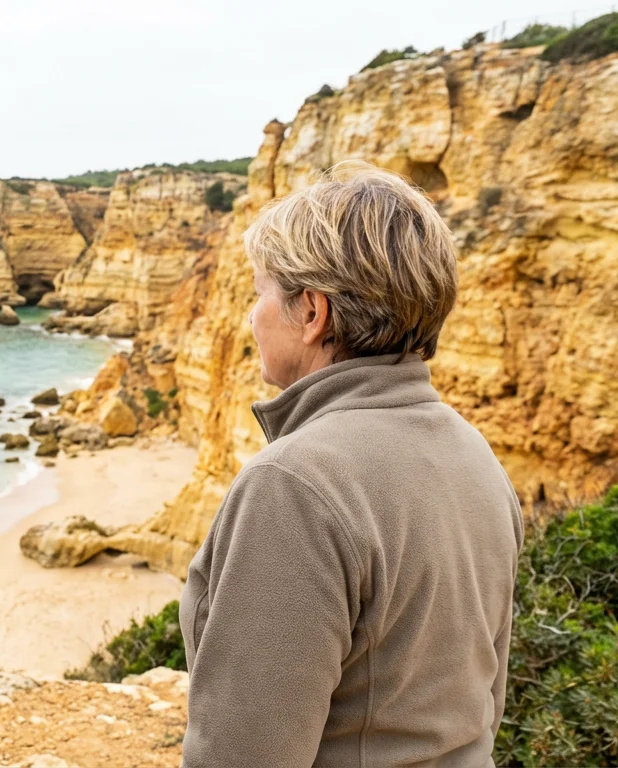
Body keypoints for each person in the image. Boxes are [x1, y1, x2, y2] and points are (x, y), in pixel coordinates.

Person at [179, 162, 523, 767]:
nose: (250, 317)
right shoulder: (475, 455)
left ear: (312, 313)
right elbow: (484, 705)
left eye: (259, 292)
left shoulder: (295, 485)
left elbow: (242, 754)